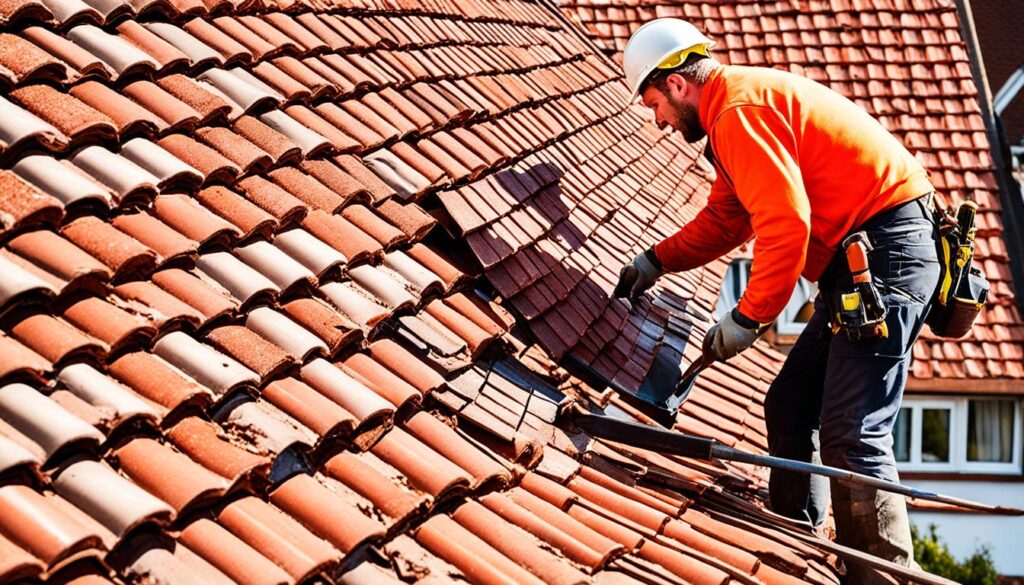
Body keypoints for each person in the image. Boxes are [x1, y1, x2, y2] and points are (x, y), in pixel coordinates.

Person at [615, 18, 940, 582]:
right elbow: (727, 218)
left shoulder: (739, 114)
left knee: (853, 431)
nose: (659, 123)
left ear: (675, 84)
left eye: (654, 106)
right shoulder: (732, 112)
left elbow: (786, 224)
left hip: (885, 256)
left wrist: (749, 317)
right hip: (864, 263)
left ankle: (884, 577)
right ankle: (797, 548)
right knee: (789, 405)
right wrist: (657, 260)